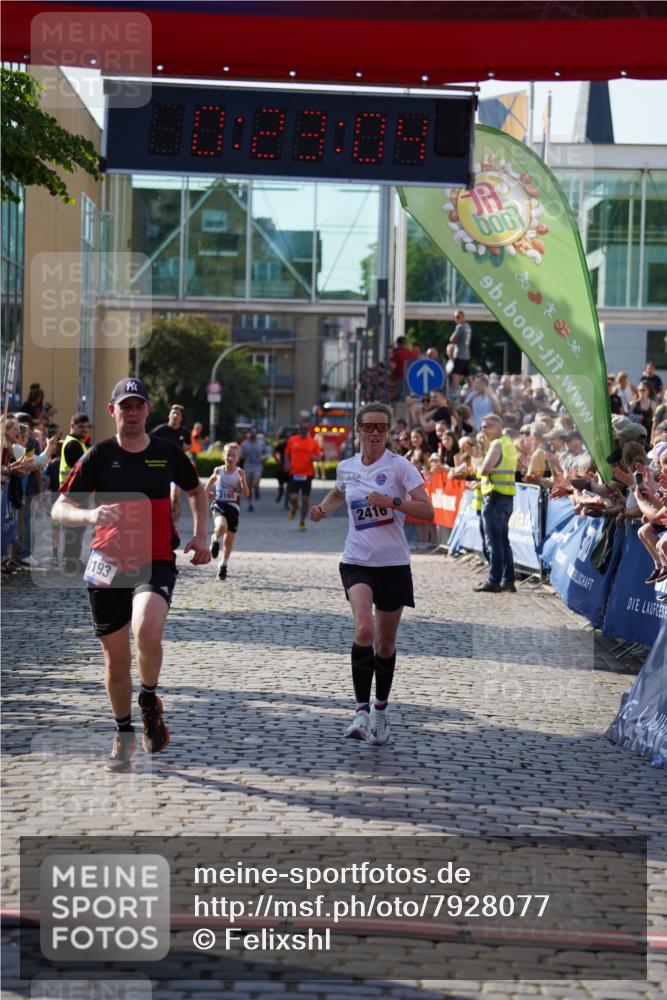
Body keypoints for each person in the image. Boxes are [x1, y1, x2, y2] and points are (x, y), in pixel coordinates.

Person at [52, 378, 210, 773]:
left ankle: (149, 699)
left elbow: (197, 491)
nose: (133, 412)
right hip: (106, 563)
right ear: (113, 412)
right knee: (116, 662)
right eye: (126, 406)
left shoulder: (167, 452)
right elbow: (59, 508)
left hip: (155, 559)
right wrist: (89, 514)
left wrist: (202, 534)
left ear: (148, 410)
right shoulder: (99, 456)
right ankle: (123, 734)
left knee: (146, 629)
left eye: (139, 405)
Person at [310, 401, 434, 744]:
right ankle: (360, 711)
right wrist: (322, 509)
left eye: (382, 428)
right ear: (359, 430)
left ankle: (381, 711)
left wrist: (393, 502)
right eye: (369, 427)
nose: (376, 433)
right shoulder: (347, 467)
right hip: (357, 561)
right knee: (364, 629)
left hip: (393, 565)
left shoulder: (400, 468)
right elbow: (338, 493)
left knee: (385, 643)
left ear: (389, 432)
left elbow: (427, 509)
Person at [473, 413, 519, 593]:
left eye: (488, 426)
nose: (483, 429)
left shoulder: (496, 444)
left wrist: (477, 468)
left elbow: (485, 470)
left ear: (499, 428)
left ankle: (494, 580)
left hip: (494, 498)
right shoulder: (509, 444)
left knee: (493, 542)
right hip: (506, 497)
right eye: (482, 426)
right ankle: (508, 580)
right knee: (503, 541)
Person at [205, 441, 249, 580]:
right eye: (228, 455)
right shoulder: (218, 470)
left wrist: (242, 482)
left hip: (234, 509)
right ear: (224, 455)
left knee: (229, 541)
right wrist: (207, 492)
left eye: (234, 456)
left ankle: (223, 565)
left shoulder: (240, 472)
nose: (230, 458)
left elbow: (246, 494)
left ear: (238, 458)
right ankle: (214, 539)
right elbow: (210, 483)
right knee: (221, 526)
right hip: (219, 504)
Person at [58, 412, 92, 572]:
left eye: (86, 427)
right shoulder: (73, 444)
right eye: (81, 427)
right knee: (73, 530)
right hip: (73, 494)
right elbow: (82, 468)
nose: (84, 429)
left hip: (76, 493)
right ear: (72, 426)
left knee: (77, 529)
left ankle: (73, 561)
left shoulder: (79, 442)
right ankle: (70, 563)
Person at [151, 404, 191, 522]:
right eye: (173, 413)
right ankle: (162, 519)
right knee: (160, 496)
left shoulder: (184, 431)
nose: (175, 415)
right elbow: (147, 440)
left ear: (181, 418)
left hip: (177, 469)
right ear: (169, 415)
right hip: (161, 467)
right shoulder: (161, 430)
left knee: (175, 497)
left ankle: (174, 524)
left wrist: (186, 447)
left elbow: (190, 446)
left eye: (178, 414)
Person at [284, 422, 322, 531]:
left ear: (308, 429)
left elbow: (319, 456)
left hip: (307, 474)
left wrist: (315, 458)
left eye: (305, 428)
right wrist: (287, 463)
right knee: (293, 497)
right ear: (299, 429)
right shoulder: (292, 440)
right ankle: (295, 507)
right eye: (301, 428)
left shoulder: (313, 442)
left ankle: (302, 522)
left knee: (305, 500)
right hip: (294, 473)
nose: (303, 430)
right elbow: (287, 453)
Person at [239, 426, 264, 511]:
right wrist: (241, 456)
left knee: (255, 484)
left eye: (254, 433)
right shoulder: (244, 444)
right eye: (251, 433)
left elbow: (268, 454)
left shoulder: (261, 443)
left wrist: (262, 457)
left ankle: (257, 490)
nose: (253, 435)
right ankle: (250, 505)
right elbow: (240, 455)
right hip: (247, 467)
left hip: (257, 466)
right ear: (248, 434)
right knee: (248, 487)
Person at [449, 309, 472, 391]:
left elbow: (452, 339)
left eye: (458, 317)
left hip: (459, 354)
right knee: (467, 375)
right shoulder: (468, 326)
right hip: (466, 355)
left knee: (455, 374)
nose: (456, 319)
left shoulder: (460, 327)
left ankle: (454, 392)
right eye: (455, 317)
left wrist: (452, 338)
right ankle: (472, 391)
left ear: (462, 317)